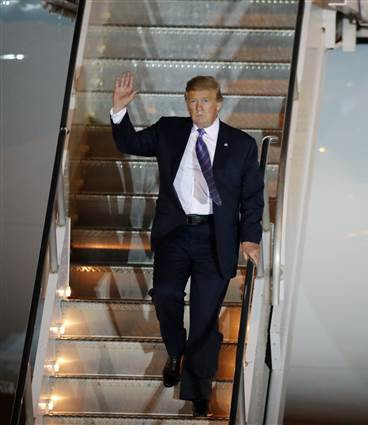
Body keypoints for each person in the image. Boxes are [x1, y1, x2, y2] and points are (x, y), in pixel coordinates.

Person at [110, 72, 264, 417]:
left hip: (216, 238)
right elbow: (130, 143)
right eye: (193, 101)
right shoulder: (169, 130)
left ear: (218, 103)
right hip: (176, 233)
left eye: (205, 101)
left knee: (204, 320)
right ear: (186, 103)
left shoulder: (241, 145)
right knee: (165, 294)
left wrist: (250, 238)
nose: (198, 108)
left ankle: (198, 390)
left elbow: (253, 197)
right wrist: (119, 110)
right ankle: (174, 351)